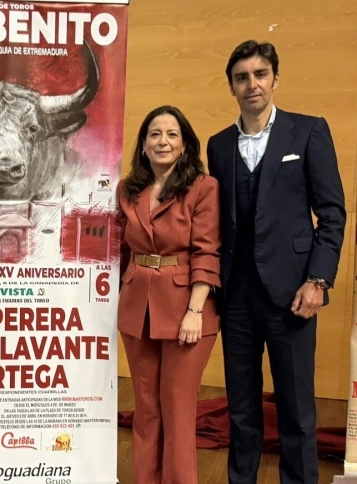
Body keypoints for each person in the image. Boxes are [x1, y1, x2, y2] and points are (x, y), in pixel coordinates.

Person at [207, 40, 346, 484]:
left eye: (260, 74)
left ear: (275, 79)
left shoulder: (307, 132)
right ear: (231, 86)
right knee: (243, 410)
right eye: (242, 77)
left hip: (293, 295)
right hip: (236, 300)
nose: (252, 84)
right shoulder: (218, 145)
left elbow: (332, 213)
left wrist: (318, 280)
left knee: (297, 411)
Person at [117, 105, 220, 483]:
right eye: (155, 134)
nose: (163, 141)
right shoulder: (128, 189)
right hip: (136, 308)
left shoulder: (203, 187)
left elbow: (207, 251)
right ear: (144, 145)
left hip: (186, 309)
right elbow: (122, 249)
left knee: (177, 408)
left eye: (172, 134)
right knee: (146, 408)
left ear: (185, 144)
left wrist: (195, 310)